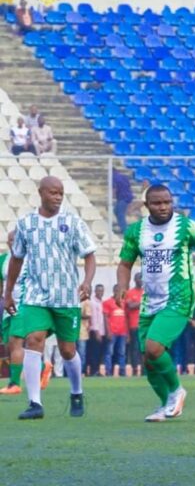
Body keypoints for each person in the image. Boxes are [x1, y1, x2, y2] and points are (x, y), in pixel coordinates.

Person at [116, 184, 195, 422]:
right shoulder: (135, 231)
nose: (163, 207)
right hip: (150, 300)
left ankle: (177, 391)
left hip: (179, 297)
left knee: (154, 348)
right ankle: (165, 406)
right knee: (148, 359)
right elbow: (125, 263)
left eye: (167, 202)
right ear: (147, 206)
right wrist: (122, 285)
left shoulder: (187, 227)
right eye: (157, 203)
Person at [3, 176, 96, 420]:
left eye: (61, 193)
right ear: (41, 193)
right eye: (53, 192)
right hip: (36, 296)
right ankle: (35, 403)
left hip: (66, 297)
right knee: (33, 339)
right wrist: (8, 293)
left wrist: (86, 281)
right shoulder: (26, 223)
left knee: (67, 351)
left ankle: (76, 392)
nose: (57, 197)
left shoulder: (72, 222)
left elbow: (89, 255)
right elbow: (16, 259)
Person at [0, 230, 27, 394]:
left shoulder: (29, 259)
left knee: (15, 341)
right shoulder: (3, 259)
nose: (11, 242)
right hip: (6, 306)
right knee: (9, 345)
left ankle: (14, 383)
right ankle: (41, 367)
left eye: (14, 239)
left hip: (23, 304)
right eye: (9, 239)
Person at [102, 285, 128, 377]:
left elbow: (127, 318)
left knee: (122, 353)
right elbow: (105, 317)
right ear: (113, 291)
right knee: (109, 352)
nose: (118, 293)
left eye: (119, 291)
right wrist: (108, 331)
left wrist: (127, 333)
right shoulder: (107, 302)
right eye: (116, 290)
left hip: (123, 332)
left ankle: (122, 372)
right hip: (112, 332)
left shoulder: (124, 303)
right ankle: (108, 372)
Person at [124, 272, 143, 376]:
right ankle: (135, 369)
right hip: (134, 325)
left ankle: (145, 370)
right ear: (135, 280)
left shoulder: (146, 292)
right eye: (139, 279)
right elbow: (131, 305)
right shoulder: (130, 293)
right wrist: (143, 302)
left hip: (145, 325)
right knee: (134, 348)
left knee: (144, 348)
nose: (141, 280)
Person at [87, 284, 105, 376]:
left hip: (102, 331)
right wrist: (97, 332)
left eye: (102, 291)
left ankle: (97, 370)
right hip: (95, 331)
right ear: (95, 291)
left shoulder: (101, 302)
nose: (100, 292)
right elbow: (94, 319)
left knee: (99, 353)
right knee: (94, 352)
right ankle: (93, 371)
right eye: (99, 291)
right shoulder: (93, 303)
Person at [113, 169, 134, 235]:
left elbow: (114, 188)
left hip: (123, 197)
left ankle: (125, 231)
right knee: (116, 210)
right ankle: (122, 227)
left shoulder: (113, 177)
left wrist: (112, 196)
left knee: (120, 213)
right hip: (127, 196)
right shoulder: (123, 177)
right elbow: (129, 186)